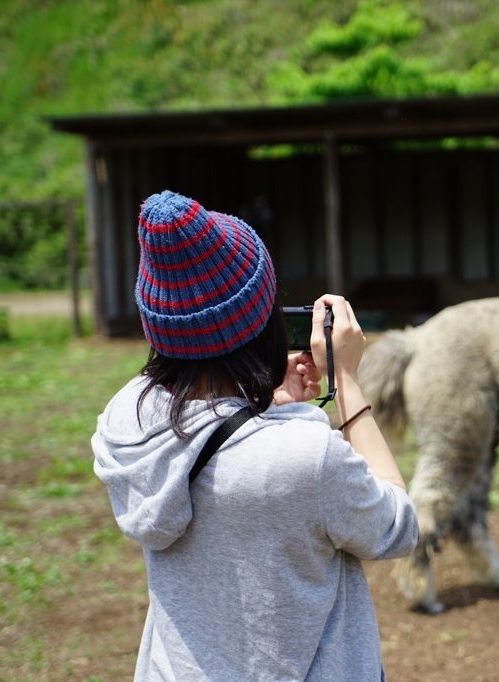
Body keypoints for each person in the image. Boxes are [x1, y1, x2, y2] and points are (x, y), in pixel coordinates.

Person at [92, 190, 418, 681]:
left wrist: (254, 398)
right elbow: (396, 527)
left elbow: (206, 425)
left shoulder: (125, 423)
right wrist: (346, 385)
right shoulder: (306, 458)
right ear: (262, 320)